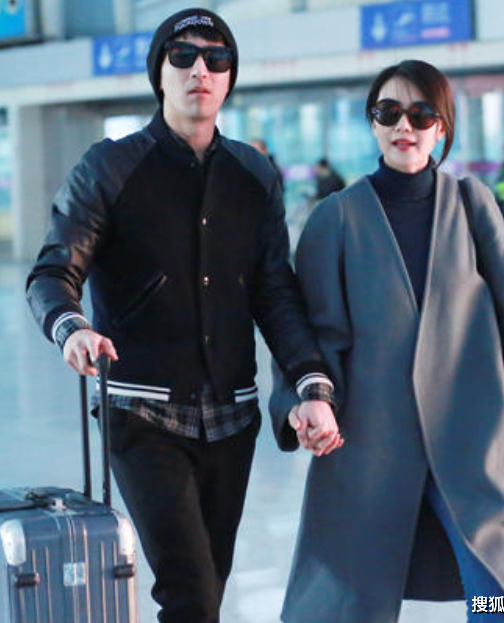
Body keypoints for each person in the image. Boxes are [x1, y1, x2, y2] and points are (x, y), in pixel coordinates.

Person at [25, 8, 340, 623]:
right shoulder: (110, 167)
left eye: (217, 59)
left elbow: (275, 293)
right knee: (189, 590)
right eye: (184, 56)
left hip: (232, 419)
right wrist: (72, 328)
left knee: (207, 593)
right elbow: (53, 272)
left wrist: (310, 384)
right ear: (160, 73)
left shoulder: (253, 174)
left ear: (229, 78)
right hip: (142, 414)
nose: (201, 70)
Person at [270, 59, 504, 623]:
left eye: (421, 113)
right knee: (347, 604)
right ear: (372, 123)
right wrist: (305, 404)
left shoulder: (473, 204)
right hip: (370, 445)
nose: (404, 125)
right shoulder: (335, 218)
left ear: (441, 126)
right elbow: (312, 335)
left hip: (474, 439)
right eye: (389, 112)